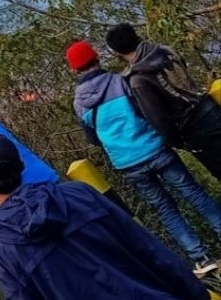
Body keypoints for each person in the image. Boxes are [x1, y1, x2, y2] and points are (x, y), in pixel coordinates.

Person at [0, 134, 210, 300]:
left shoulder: (3, 256)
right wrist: (196, 293)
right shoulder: (79, 195)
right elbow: (148, 250)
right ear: (21, 165)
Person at [67, 40, 221, 273]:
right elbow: (146, 110)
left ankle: (201, 258)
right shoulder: (120, 82)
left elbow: (93, 139)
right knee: (193, 192)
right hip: (154, 147)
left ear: (74, 69)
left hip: (127, 163)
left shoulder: (79, 104)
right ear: (97, 58)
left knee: (165, 209)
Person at [106, 23, 221, 180]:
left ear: (117, 52)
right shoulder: (164, 50)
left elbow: (158, 118)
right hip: (209, 108)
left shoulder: (138, 80)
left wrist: (176, 141)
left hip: (193, 128)